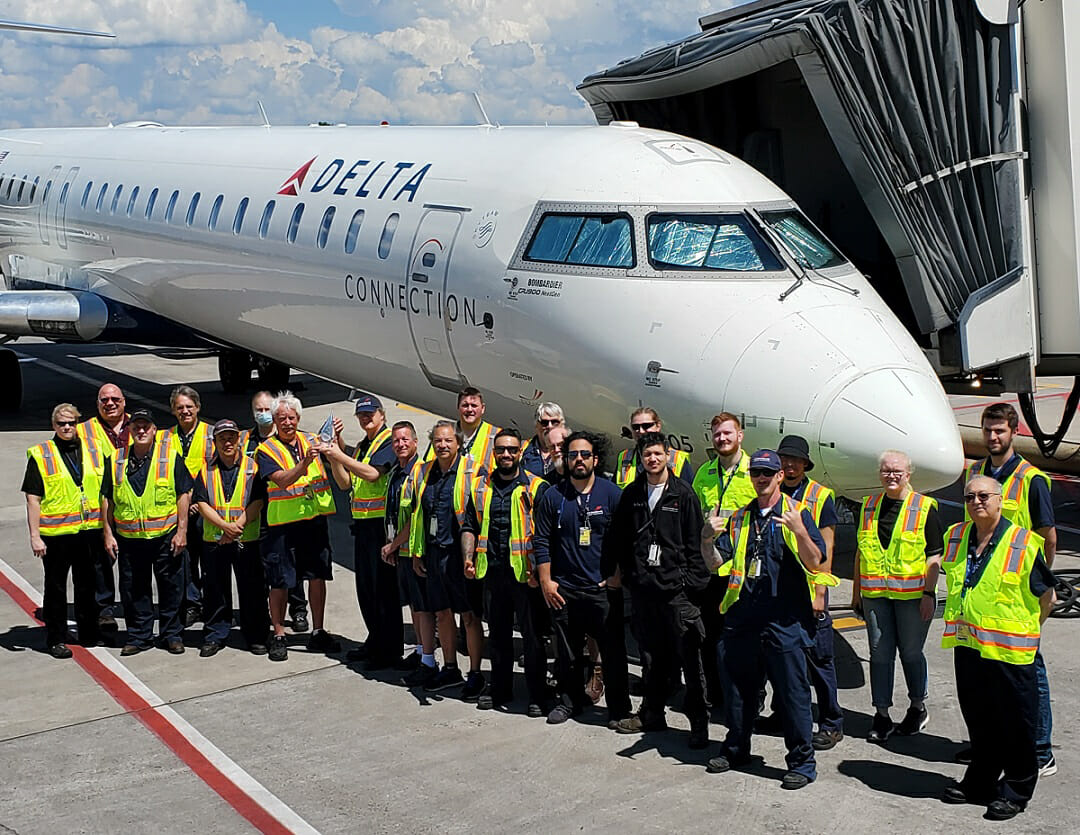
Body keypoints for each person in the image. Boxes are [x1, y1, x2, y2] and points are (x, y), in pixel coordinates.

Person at [703, 450, 836, 790]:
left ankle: (802, 763)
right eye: (756, 472)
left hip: (784, 621)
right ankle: (736, 749)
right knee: (738, 692)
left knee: (792, 696)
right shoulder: (740, 517)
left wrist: (800, 532)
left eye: (767, 472)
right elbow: (714, 563)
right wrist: (706, 538)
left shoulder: (797, 513)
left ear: (780, 477)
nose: (761, 478)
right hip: (744, 617)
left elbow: (816, 562)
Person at [940, 475, 1055, 821]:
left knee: (1017, 724)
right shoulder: (957, 536)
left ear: (1000, 500)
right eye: (970, 496)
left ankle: (1017, 790)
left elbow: (1046, 597)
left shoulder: (1023, 542)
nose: (977, 502)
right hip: (970, 645)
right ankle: (980, 782)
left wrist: (1028, 632)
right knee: (979, 719)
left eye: (984, 496)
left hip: (1011, 650)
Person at [963, 402, 1057, 776]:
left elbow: (1047, 538)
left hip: (1017, 595)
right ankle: (989, 748)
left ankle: (1041, 749)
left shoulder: (1030, 479)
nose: (992, 437)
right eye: (988, 430)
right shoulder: (975, 474)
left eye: (1000, 430)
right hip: (984, 597)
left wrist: (1038, 587)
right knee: (987, 679)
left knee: (1030, 672)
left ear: (1014, 432)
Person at [608, 432, 709, 747]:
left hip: (676, 593)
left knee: (691, 661)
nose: (652, 459)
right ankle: (652, 713)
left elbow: (695, 544)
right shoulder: (634, 493)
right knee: (651, 657)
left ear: (667, 455)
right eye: (646, 455)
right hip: (644, 591)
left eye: (657, 453)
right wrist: (628, 575)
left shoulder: (684, 494)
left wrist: (690, 585)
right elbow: (621, 537)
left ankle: (698, 725)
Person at [533, 431, 630, 726]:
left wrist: (615, 577)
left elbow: (626, 539)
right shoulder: (554, 496)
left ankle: (618, 709)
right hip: (565, 589)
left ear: (595, 459)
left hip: (602, 591)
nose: (579, 460)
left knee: (613, 653)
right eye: (573, 455)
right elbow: (541, 541)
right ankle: (569, 702)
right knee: (568, 654)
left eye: (585, 455)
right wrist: (547, 582)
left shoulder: (611, 494)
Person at [756, 436, 844, 750]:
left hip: (809, 591)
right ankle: (782, 714)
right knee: (781, 656)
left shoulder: (820, 496)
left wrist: (820, 592)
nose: (790, 465)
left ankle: (831, 722)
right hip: (778, 593)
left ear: (806, 464)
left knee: (819, 658)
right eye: (785, 460)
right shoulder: (770, 492)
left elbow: (828, 547)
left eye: (796, 461)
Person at [851, 450, 943, 742]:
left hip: (913, 596)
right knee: (879, 654)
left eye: (897, 471)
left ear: (909, 474)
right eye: (886, 470)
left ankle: (917, 707)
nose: (892, 476)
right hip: (876, 594)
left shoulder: (925, 507)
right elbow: (860, 553)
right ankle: (882, 714)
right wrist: (857, 593)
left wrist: (929, 592)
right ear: (879, 473)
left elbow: (934, 555)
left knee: (911, 652)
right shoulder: (868, 507)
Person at [461, 428, 551, 715]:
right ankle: (500, 688)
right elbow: (469, 526)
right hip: (493, 572)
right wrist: (468, 557)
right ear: (494, 453)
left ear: (520, 452)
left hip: (527, 576)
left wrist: (541, 570)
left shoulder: (536, 488)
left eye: (512, 449)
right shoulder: (480, 487)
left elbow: (547, 535)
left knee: (533, 637)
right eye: (501, 450)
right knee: (498, 635)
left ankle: (538, 694)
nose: (506, 454)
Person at [255, 391, 340, 662]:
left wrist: (336, 443)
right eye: (282, 418)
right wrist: (305, 463)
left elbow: (339, 465)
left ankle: (318, 630)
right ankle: (279, 634)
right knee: (280, 581)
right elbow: (280, 480)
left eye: (291, 417)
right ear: (275, 420)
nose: (288, 422)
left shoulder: (313, 440)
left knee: (317, 576)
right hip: (282, 525)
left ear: (298, 418)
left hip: (313, 521)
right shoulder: (266, 449)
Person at [100, 409, 192, 656]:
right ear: (129, 431)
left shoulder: (170, 457)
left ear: (154, 431)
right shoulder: (115, 459)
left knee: (172, 588)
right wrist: (108, 533)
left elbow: (185, 494)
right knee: (133, 590)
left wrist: (182, 531)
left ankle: (171, 634)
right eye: (136, 427)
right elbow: (107, 498)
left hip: (165, 536)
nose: (141, 431)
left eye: (146, 427)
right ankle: (139, 636)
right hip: (129, 539)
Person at [407, 420, 486, 697]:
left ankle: (475, 672)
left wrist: (473, 555)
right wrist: (417, 551)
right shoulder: (425, 472)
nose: (442, 445)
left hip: (460, 555)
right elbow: (418, 514)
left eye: (448, 441)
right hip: (433, 552)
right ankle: (450, 667)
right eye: (438, 441)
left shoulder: (472, 471)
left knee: (469, 616)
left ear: (458, 444)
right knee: (442, 613)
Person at [325, 394, 402, 669]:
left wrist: (340, 454)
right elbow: (345, 483)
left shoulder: (387, 442)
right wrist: (334, 453)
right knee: (366, 590)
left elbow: (372, 474)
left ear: (382, 415)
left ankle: (388, 650)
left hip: (381, 525)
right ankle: (375, 641)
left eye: (370, 414)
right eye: (362, 415)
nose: (366, 418)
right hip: (362, 525)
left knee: (383, 592)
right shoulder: (363, 446)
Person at [22, 403, 105, 657]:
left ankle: (89, 632)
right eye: (61, 424)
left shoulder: (93, 448)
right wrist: (35, 536)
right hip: (56, 535)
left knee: (87, 586)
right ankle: (56, 638)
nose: (67, 427)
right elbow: (32, 498)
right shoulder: (42, 454)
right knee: (56, 588)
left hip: (88, 530)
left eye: (71, 423)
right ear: (53, 426)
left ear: (78, 423)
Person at [692, 412, 758, 707]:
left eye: (728, 433)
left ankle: (752, 697)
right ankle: (716, 694)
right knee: (711, 635)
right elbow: (694, 518)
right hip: (711, 567)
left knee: (746, 638)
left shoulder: (754, 472)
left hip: (742, 569)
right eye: (717, 434)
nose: (722, 439)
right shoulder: (704, 472)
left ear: (740, 436)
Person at [192, 419, 270, 656]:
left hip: (245, 538)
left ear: (239, 440)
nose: (227, 442)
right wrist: (225, 527)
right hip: (215, 539)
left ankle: (256, 635)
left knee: (253, 590)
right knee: (215, 590)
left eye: (231, 437)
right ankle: (216, 633)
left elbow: (258, 501)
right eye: (222, 438)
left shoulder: (253, 467)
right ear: (214, 442)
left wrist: (237, 526)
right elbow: (202, 502)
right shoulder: (205, 470)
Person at [242, 390, 308, 633]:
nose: (263, 414)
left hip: (286, 512)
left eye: (266, 410)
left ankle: (298, 609)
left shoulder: (296, 441)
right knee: (272, 573)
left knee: (293, 569)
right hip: (259, 512)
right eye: (258, 410)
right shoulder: (247, 441)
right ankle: (269, 618)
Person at [381, 421, 438, 687]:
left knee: (424, 608)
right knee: (415, 607)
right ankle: (419, 651)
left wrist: (394, 545)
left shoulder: (419, 473)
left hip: (414, 550)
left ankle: (428, 660)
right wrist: (392, 543)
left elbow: (416, 516)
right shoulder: (396, 472)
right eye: (396, 441)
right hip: (401, 549)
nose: (401, 444)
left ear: (416, 443)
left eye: (405, 440)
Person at [160, 385, 215, 628]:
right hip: (178, 507)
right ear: (173, 410)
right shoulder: (165, 437)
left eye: (189, 407)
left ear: (198, 408)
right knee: (186, 560)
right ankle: (193, 602)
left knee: (210, 559)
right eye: (180, 407)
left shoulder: (210, 434)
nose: (185, 411)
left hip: (206, 507)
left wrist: (198, 501)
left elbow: (215, 471)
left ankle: (212, 602)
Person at [76, 383, 129, 630]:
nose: (110, 404)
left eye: (115, 399)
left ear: (123, 402)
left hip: (136, 507)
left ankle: (133, 608)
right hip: (101, 507)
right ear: (98, 404)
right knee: (101, 562)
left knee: (133, 565)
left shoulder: (140, 426)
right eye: (104, 400)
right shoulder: (83, 430)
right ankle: (104, 610)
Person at [613, 407, 694, 489]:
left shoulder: (678, 459)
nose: (641, 431)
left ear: (658, 426)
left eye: (646, 426)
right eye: (635, 427)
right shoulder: (624, 458)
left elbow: (689, 496)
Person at [425, 387, 499, 475]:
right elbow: (428, 465)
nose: (469, 410)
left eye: (474, 405)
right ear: (458, 407)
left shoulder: (497, 436)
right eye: (465, 405)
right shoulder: (441, 434)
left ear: (482, 408)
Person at [521, 402, 566, 478]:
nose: (550, 426)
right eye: (544, 423)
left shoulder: (572, 451)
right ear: (536, 425)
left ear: (562, 424)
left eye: (554, 422)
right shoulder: (522, 449)